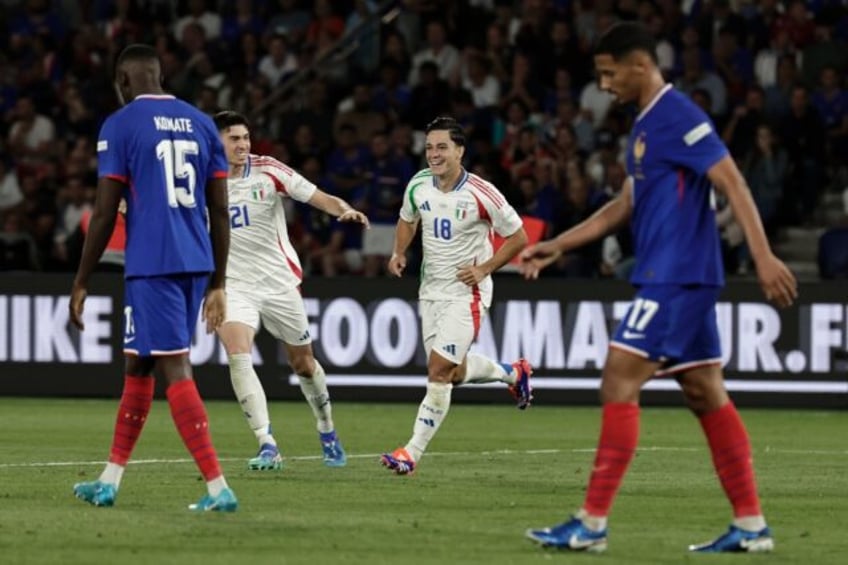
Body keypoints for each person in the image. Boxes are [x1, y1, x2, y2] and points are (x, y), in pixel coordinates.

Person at [521, 23, 797, 553]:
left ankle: (591, 524)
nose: (603, 85)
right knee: (704, 391)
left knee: (618, 378)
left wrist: (763, 258)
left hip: (676, 276)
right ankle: (751, 525)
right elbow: (624, 205)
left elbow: (732, 181)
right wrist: (558, 244)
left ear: (639, 66)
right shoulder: (644, 126)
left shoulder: (679, 115)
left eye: (608, 73)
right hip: (676, 276)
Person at [68, 44, 237, 512]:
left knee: (173, 367)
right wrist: (218, 281)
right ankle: (110, 479)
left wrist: (81, 279)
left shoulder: (120, 125)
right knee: (139, 364)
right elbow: (219, 210)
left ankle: (217, 486)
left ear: (123, 82)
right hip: (195, 260)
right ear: (159, 76)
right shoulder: (203, 123)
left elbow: (104, 212)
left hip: (152, 263)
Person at [213, 110, 369, 470]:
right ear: (216, 140)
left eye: (246, 137)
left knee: (304, 364)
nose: (243, 145)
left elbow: (318, 196)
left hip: (278, 283)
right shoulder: (200, 178)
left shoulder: (267, 169)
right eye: (234, 138)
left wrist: (343, 211)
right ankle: (267, 443)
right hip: (233, 285)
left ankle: (327, 428)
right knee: (238, 353)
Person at [380, 116, 533, 476]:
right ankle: (513, 373)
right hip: (430, 291)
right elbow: (407, 218)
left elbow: (519, 237)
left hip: (468, 293)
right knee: (452, 371)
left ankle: (411, 452)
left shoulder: (482, 192)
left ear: (460, 151)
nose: (434, 154)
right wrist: (398, 251)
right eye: (430, 147)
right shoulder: (419, 184)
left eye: (442, 147)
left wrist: (484, 268)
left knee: (438, 370)